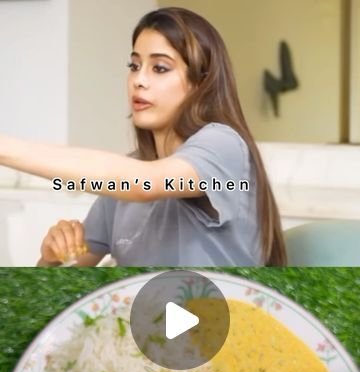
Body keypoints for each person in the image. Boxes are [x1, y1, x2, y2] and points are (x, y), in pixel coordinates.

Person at [0, 7, 287, 266]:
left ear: (201, 82)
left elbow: (143, 183)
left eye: (159, 68)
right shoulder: (125, 182)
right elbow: (66, 294)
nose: (139, 79)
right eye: (134, 66)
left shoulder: (224, 145)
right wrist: (51, 259)